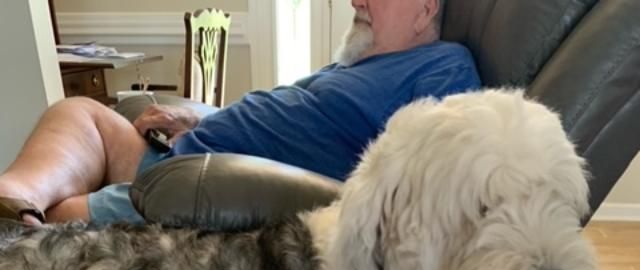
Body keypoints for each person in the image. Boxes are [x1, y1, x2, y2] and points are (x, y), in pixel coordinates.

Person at [0, 0, 480, 227]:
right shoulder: (357, 64)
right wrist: (199, 121)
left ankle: (22, 221)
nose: (357, 0)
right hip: (188, 156)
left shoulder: (443, 66)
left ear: (425, 8)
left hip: (210, 189)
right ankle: (12, 198)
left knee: (60, 218)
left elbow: (437, 181)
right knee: (81, 113)